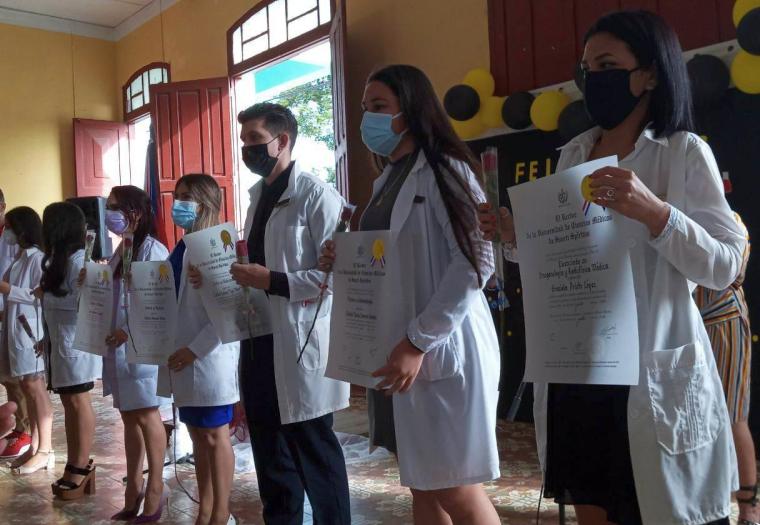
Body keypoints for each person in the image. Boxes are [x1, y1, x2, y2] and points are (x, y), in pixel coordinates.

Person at [479, 10, 745, 525]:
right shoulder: (573, 156)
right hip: (579, 373)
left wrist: (657, 213)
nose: (590, 79)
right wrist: (517, 239)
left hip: (647, 374)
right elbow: (562, 263)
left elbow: (724, 266)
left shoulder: (681, 153)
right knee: (594, 507)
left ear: (648, 74)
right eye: (585, 67)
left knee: (661, 509)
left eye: (606, 64)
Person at [319, 64, 501, 525]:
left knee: (455, 486)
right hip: (401, 353)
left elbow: (477, 262)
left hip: (439, 348)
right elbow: (388, 261)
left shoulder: (445, 170)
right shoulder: (387, 180)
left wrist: (419, 340)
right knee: (421, 483)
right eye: (365, 109)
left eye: (379, 107)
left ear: (412, 110)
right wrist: (342, 257)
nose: (368, 119)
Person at [227, 102, 351, 524]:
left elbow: (338, 277)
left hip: (300, 343)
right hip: (259, 341)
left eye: (255, 140)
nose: (247, 149)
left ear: (282, 141)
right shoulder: (257, 198)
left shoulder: (318, 197)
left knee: (315, 453)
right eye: (243, 140)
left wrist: (273, 281)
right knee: (270, 455)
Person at [80, 185, 169, 521]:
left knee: (147, 415)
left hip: (141, 348)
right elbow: (114, 297)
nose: (110, 215)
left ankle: (156, 486)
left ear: (136, 212)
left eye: (116, 207)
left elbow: (157, 305)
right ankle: (134, 485)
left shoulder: (153, 251)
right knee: (129, 417)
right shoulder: (122, 250)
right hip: (118, 349)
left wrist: (129, 331)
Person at [158, 174, 240, 525]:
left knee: (215, 435)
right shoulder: (183, 246)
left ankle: (221, 512)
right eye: (177, 196)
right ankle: (204, 509)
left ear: (205, 202)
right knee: (196, 436)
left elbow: (231, 309)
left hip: (209, 357)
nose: (179, 203)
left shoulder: (220, 243)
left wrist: (195, 349)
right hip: (181, 357)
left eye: (186, 197)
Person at [694, 213, 757, 525]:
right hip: (687, 322)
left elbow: (732, 271)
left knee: (733, 417)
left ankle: (749, 510)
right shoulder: (680, 211)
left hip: (723, 319)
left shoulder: (729, 220)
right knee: (693, 419)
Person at [39, 202, 101, 498]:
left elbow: (87, 305)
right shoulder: (57, 260)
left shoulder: (79, 261)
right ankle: (75, 461)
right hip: (60, 344)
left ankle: (81, 464)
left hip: (76, 345)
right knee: (69, 404)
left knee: (78, 402)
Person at [0, 206, 53, 475]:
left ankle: (45, 450)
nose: (6, 232)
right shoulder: (20, 259)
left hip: (31, 333)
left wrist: (8, 290)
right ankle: (33, 446)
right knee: (26, 387)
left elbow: (38, 295)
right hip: (15, 329)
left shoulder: (38, 259)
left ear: (22, 229)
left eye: (9, 227)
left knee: (35, 388)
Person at [0, 188, 28, 462]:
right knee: (4, 375)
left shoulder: (15, 239)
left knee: (16, 377)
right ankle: (11, 426)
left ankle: (24, 429)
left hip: (11, 312)